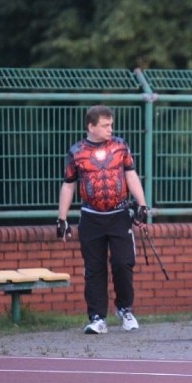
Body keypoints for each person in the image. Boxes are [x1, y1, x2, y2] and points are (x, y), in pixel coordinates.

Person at [57, 105, 149, 335]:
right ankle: (97, 317)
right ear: (91, 126)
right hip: (91, 218)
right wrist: (62, 218)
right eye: (105, 125)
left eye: (111, 125)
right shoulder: (76, 151)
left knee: (123, 263)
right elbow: (68, 184)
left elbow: (131, 174)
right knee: (94, 269)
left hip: (119, 215)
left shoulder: (120, 146)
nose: (110, 129)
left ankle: (125, 308)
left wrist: (142, 204)